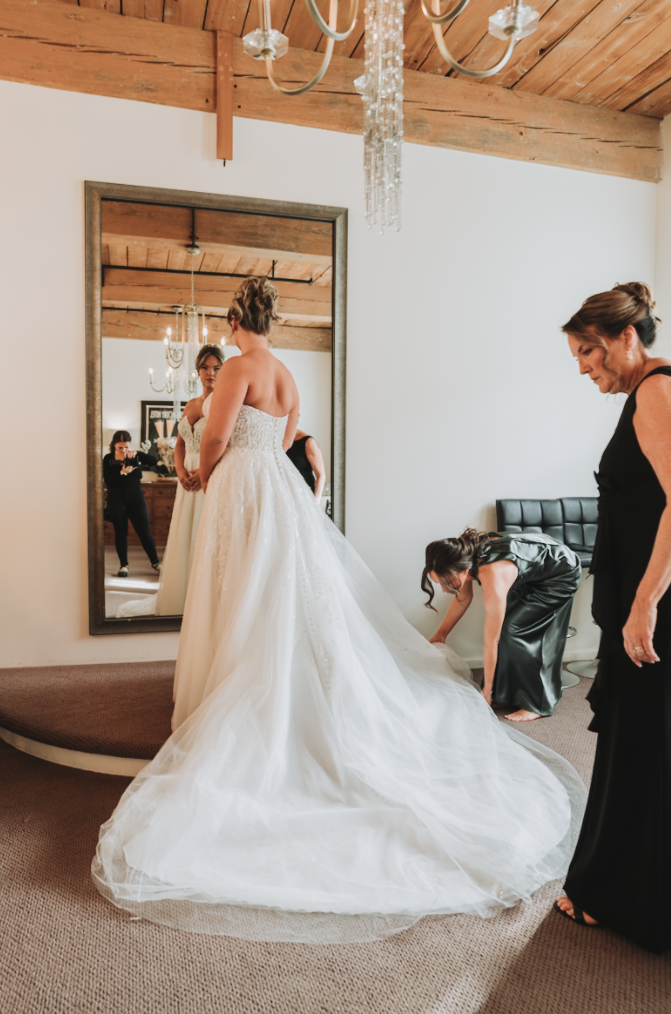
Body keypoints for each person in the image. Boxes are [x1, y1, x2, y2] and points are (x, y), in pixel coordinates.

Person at [92, 277, 585, 945]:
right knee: (283, 597)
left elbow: (214, 440)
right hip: (279, 489)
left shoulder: (239, 365)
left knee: (243, 593)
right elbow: (289, 433)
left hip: (242, 486)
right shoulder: (287, 372)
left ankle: (248, 699)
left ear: (235, 319)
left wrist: (206, 472)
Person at [555, 282, 671, 953]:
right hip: (641, 605)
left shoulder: (655, 391)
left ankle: (620, 897)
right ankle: (621, 888)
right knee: (640, 745)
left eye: (586, 350)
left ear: (626, 337)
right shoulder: (644, 394)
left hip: (650, 610)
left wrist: (643, 605)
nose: (581, 366)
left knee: (642, 747)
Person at [423, 530, 581, 722]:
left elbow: (492, 642)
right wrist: (441, 633)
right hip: (533, 571)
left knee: (513, 631)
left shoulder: (491, 572)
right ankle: (504, 694)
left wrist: (487, 691)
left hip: (560, 574)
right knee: (508, 628)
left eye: (446, 582)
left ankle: (537, 703)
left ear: (462, 570)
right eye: (439, 583)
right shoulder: (462, 561)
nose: (443, 589)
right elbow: (463, 600)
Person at [117, 345, 225, 617]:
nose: (210, 373)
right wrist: (179, 471)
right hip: (186, 477)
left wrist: (204, 471)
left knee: (204, 533)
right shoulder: (191, 404)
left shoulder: (225, 404)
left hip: (210, 475)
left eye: (217, 368)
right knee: (185, 532)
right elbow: (179, 444)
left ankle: (207, 601)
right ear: (198, 370)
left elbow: (225, 443)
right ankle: (183, 593)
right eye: (205, 367)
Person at [103, 432, 160, 578]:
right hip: (116, 499)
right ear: (114, 445)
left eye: (126, 447)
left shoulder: (136, 455)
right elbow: (108, 480)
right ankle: (124, 565)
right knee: (120, 532)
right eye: (120, 448)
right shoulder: (108, 458)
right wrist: (122, 472)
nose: (124, 450)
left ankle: (156, 563)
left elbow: (154, 460)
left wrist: (138, 454)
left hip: (136, 497)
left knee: (144, 532)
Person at [286, 428, 326, 502]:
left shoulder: (308, 442)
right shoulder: (278, 441)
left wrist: (315, 505)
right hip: (286, 497)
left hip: (305, 498)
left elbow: (321, 475)